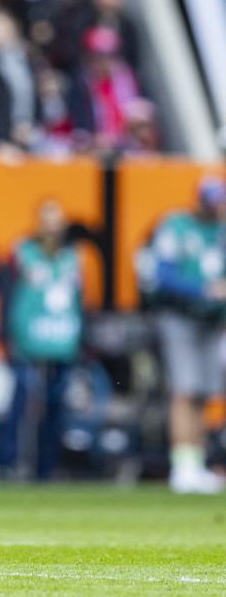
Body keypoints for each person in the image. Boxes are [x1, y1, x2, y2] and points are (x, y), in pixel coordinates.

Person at [140, 178, 226, 494]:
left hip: (212, 322)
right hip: (180, 317)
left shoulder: (221, 231)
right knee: (185, 389)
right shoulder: (176, 226)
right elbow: (162, 274)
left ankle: (197, 463)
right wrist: (202, 290)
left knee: (203, 394)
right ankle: (182, 466)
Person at [0, 200, 84, 480]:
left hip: (62, 340)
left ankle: (47, 466)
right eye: (47, 223)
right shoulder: (21, 253)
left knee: (56, 407)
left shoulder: (72, 258)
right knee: (20, 402)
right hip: (28, 340)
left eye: (56, 223)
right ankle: (9, 462)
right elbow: (6, 294)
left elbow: (81, 301)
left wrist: (81, 337)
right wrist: (7, 333)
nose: (51, 230)